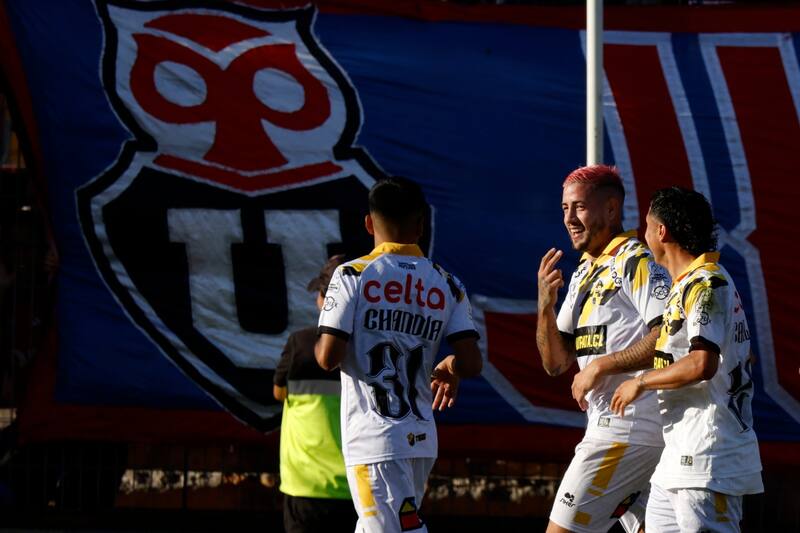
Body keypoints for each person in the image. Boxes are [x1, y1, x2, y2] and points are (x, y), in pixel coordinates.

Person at [315, 177, 482, 533]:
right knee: (378, 525)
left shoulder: (351, 275)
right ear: (421, 224)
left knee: (392, 530)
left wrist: (323, 330)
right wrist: (450, 365)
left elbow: (327, 358)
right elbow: (470, 363)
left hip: (375, 437)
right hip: (421, 436)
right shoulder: (448, 283)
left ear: (369, 223)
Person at [611, 187, 763, 532]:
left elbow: (701, 364)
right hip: (678, 457)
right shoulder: (688, 284)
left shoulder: (707, 283)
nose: (642, 234)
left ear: (661, 231)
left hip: (710, 459)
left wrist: (640, 381)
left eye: (646, 226)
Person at [536, 164, 670, 533]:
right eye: (564, 208)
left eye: (578, 207)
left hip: (627, 430)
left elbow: (668, 337)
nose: (569, 218)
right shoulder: (582, 272)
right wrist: (545, 305)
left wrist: (599, 366)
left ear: (611, 209)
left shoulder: (635, 260)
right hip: (612, 428)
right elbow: (555, 364)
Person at [273, 254, 357, 533]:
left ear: (324, 299)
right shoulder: (371, 350)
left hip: (305, 486)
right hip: (359, 487)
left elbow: (278, 392)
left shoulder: (299, 344)